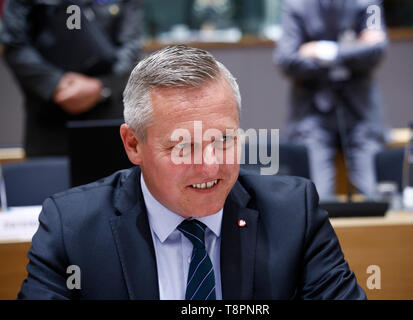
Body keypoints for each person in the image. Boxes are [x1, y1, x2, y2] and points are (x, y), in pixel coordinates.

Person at [18, 45, 366, 300]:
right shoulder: (72, 227)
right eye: (183, 147)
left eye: (224, 139)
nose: (211, 166)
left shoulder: (293, 213)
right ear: (133, 145)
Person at [274, 0, 388, 199]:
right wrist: (353, 50)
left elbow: (376, 51)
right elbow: (287, 59)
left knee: (374, 198)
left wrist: (323, 50)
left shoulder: (368, 3)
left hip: (361, 113)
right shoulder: (295, 5)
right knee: (318, 199)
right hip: (311, 116)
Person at [0, 0, 143, 156]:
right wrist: (56, 83)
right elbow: (14, 44)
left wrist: (101, 86)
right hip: (49, 116)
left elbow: (131, 47)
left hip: (107, 113)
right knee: (46, 179)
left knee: (114, 176)